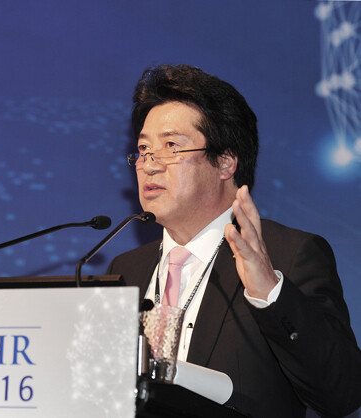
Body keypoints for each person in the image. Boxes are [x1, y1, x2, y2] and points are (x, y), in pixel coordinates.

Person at [106, 64, 361, 418]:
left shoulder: (288, 256)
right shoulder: (126, 270)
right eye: (144, 149)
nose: (149, 165)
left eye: (170, 146)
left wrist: (268, 292)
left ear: (225, 163)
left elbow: (342, 393)